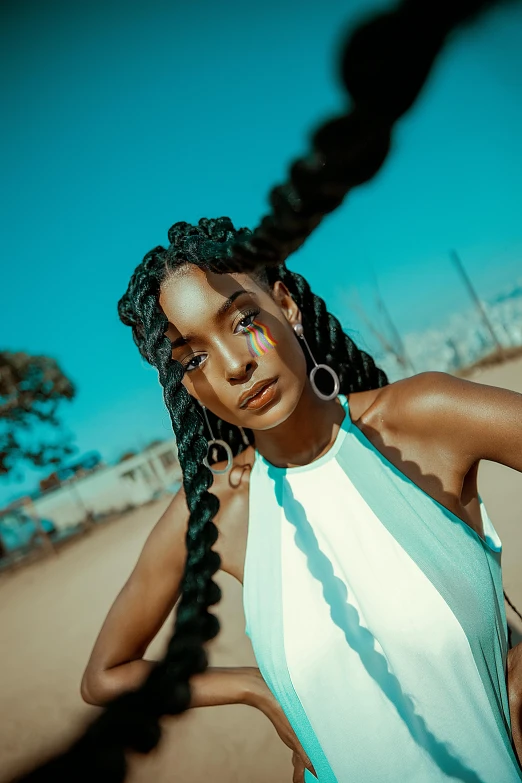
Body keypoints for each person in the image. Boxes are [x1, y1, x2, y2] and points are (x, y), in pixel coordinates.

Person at [11, 1, 522, 781]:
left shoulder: (422, 417)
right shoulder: (222, 511)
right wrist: (259, 691)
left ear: (284, 303)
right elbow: (106, 672)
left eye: (241, 319)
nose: (232, 365)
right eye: (191, 357)